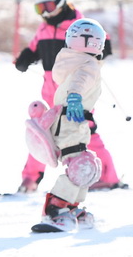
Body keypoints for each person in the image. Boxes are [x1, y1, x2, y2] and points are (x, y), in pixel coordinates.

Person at [13, 0, 126, 193]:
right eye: (39, 8)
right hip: (50, 91)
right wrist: (25, 58)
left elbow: (104, 42)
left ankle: (108, 177)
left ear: (60, 2)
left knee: (85, 131)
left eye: (48, 6)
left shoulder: (79, 24)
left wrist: (94, 54)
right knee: (42, 133)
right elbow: (34, 48)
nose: (45, 12)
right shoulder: (43, 29)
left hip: (77, 91)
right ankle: (30, 179)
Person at [35, 18, 110, 231]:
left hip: (73, 121)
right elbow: (81, 81)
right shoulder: (89, 65)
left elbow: (78, 79)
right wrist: (75, 95)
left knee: (87, 165)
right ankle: (55, 208)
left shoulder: (76, 62)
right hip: (70, 122)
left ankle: (71, 205)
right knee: (80, 165)